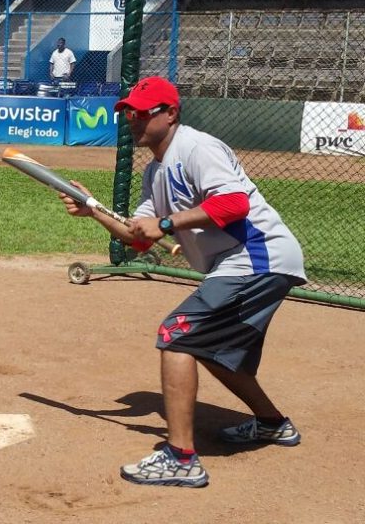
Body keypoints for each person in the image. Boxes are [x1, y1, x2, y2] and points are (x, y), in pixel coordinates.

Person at [58, 76, 306, 488]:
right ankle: (271, 423)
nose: (132, 121)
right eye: (128, 114)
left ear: (170, 113)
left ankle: (182, 458)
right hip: (243, 262)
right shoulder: (155, 171)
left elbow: (233, 204)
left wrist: (167, 222)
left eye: (141, 113)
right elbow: (139, 237)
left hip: (257, 256)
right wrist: (94, 210)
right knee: (214, 351)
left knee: (176, 335)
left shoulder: (196, 146)